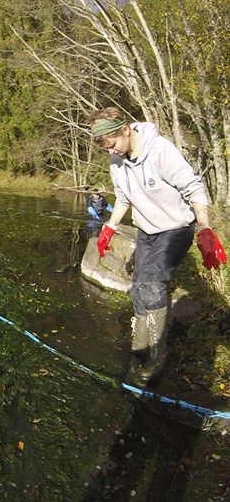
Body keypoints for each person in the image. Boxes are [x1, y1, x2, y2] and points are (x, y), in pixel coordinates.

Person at [89, 107, 227, 386]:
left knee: (153, 284)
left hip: (176, 229)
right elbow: (123, 197)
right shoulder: (117, 161)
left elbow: (195, 188)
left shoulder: (161, 150)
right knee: (138, 289)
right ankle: (140, 348)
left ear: (125, 130)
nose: (111, 152)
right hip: (147, 230)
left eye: (112, 144)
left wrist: (205, 228)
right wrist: (110, 227)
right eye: (106, 148)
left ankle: (157, 354)